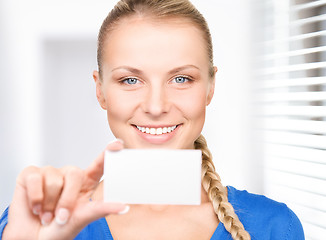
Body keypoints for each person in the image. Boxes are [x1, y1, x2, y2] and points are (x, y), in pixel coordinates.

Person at [0, 0, 305, 239]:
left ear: (210, 87)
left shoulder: (274, 228)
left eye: (182, 78)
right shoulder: (35, 223)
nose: (156, 106)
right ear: (100, 90)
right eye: (131, 80)